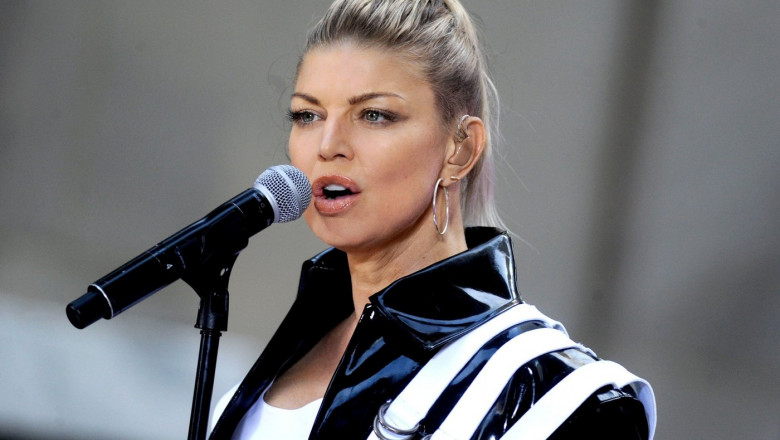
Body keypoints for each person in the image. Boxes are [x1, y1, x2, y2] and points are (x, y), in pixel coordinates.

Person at [210, 0, 656, 439]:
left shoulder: (556, 396)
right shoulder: (252, 385)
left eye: (374, 115)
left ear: (459, 147)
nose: (328, 144)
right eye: (308, 115)